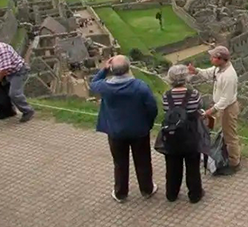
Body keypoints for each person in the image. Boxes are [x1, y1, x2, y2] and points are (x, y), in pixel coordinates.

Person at [90, 55, 159, 202]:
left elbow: (93, 84)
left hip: (116, 132)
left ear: (112, 69)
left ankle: (121, 193)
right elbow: (152, 108)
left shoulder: (105, 86)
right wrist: (149, 124)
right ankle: (147, 189)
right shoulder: (140, 86)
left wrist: (104, 69)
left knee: (120, 163)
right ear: (128, 68)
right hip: (139, 130)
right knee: (143, 161)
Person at [188, 45, 240, 173]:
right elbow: (208, 73)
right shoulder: (219, 69)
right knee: (224, 132)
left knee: (230, 135)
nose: (210, 59)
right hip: (222, 107)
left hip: (228, 108)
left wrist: (209, 112)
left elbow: (225, 100)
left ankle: (234, 163)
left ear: (220, 59)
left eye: (213, 57)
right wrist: (196, 71)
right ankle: (227, 154)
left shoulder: (228, 76)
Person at [158, 64, 204, 204]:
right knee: (193, 166)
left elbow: (167, 110)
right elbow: (198, 107)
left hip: (171, 135)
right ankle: (195, 195)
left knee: (172, 166)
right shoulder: (194, 94)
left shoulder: (166, 96)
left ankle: (171, 194)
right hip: (190, 134)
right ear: (186, 77)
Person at [0, 34, 35, 122]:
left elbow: (4, 69)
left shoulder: (1, 49)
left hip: (18, 71)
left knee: (14, 93)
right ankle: (9, 111)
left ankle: (28, 111)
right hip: (7, 73)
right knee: (2, 93)